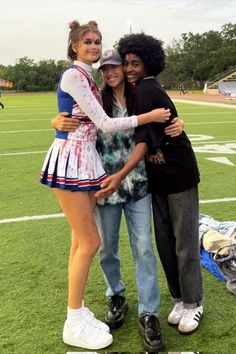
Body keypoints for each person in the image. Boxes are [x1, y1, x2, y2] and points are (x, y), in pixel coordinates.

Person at [40, 21, 171, 350]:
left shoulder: (125, 90)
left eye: (98, 42)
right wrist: (56, 120)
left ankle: (90, 312)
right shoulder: (81, 80)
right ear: (75, 46)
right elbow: (101, 122)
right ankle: (78, 315)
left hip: (107, 173)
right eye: (88, 42)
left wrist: (164, 119)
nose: (95, 47)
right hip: (80, 166)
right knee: (94, 244)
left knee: (87, 244)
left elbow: (82, 114)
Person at [96, 33, 204, 337]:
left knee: (183, 242)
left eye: (134, 63)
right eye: (125, 63)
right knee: (166, 244)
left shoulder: (145, 88)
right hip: (155, 179)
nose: (128, 69)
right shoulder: (128, 93)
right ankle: (179, 298)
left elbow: (161, 125)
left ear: (148, 64)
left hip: (176, 173)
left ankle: (193, 301)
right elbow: (155, 124)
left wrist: (162, 141)